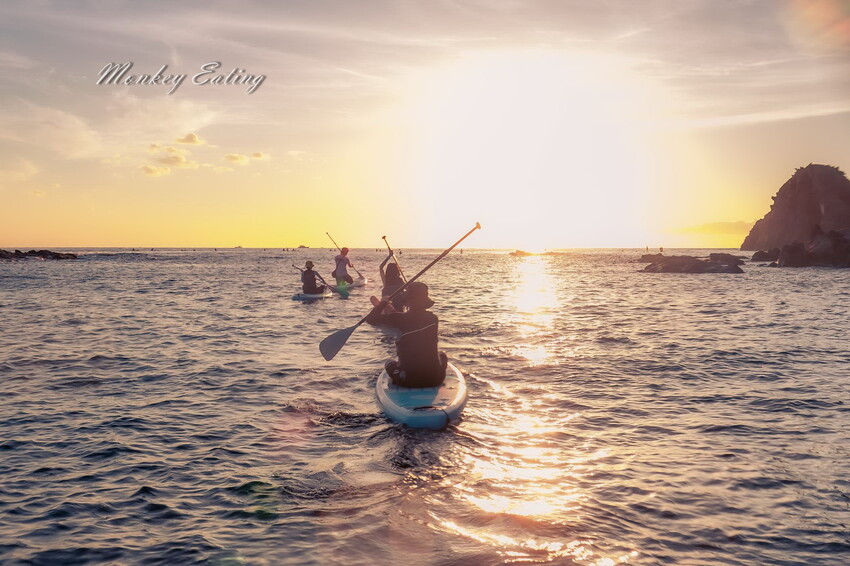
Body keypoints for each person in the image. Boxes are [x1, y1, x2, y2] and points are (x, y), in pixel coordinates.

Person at [367, 282, 448, 388]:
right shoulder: (433, 319)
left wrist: (382, 304)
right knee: (442, 354)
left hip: (407, 381)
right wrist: (393, 313)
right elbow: (413, 322)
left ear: (407, 301)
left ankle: (396, 372)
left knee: (388, 362)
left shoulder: (398, 319)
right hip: (436, 379)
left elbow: (371, 319)